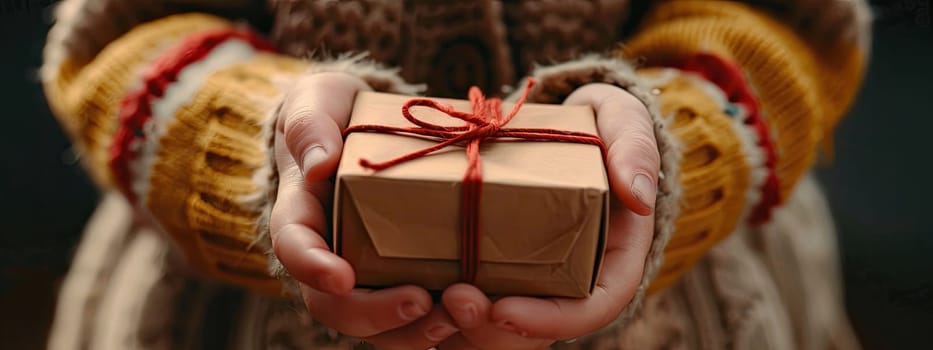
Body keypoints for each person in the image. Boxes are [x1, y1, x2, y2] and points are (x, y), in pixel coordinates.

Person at [41, 1, 871, 349]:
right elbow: (118, 39)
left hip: (685, 310)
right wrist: (253, 142)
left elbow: (792, 23)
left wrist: (679, 147)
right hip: (226, 311)